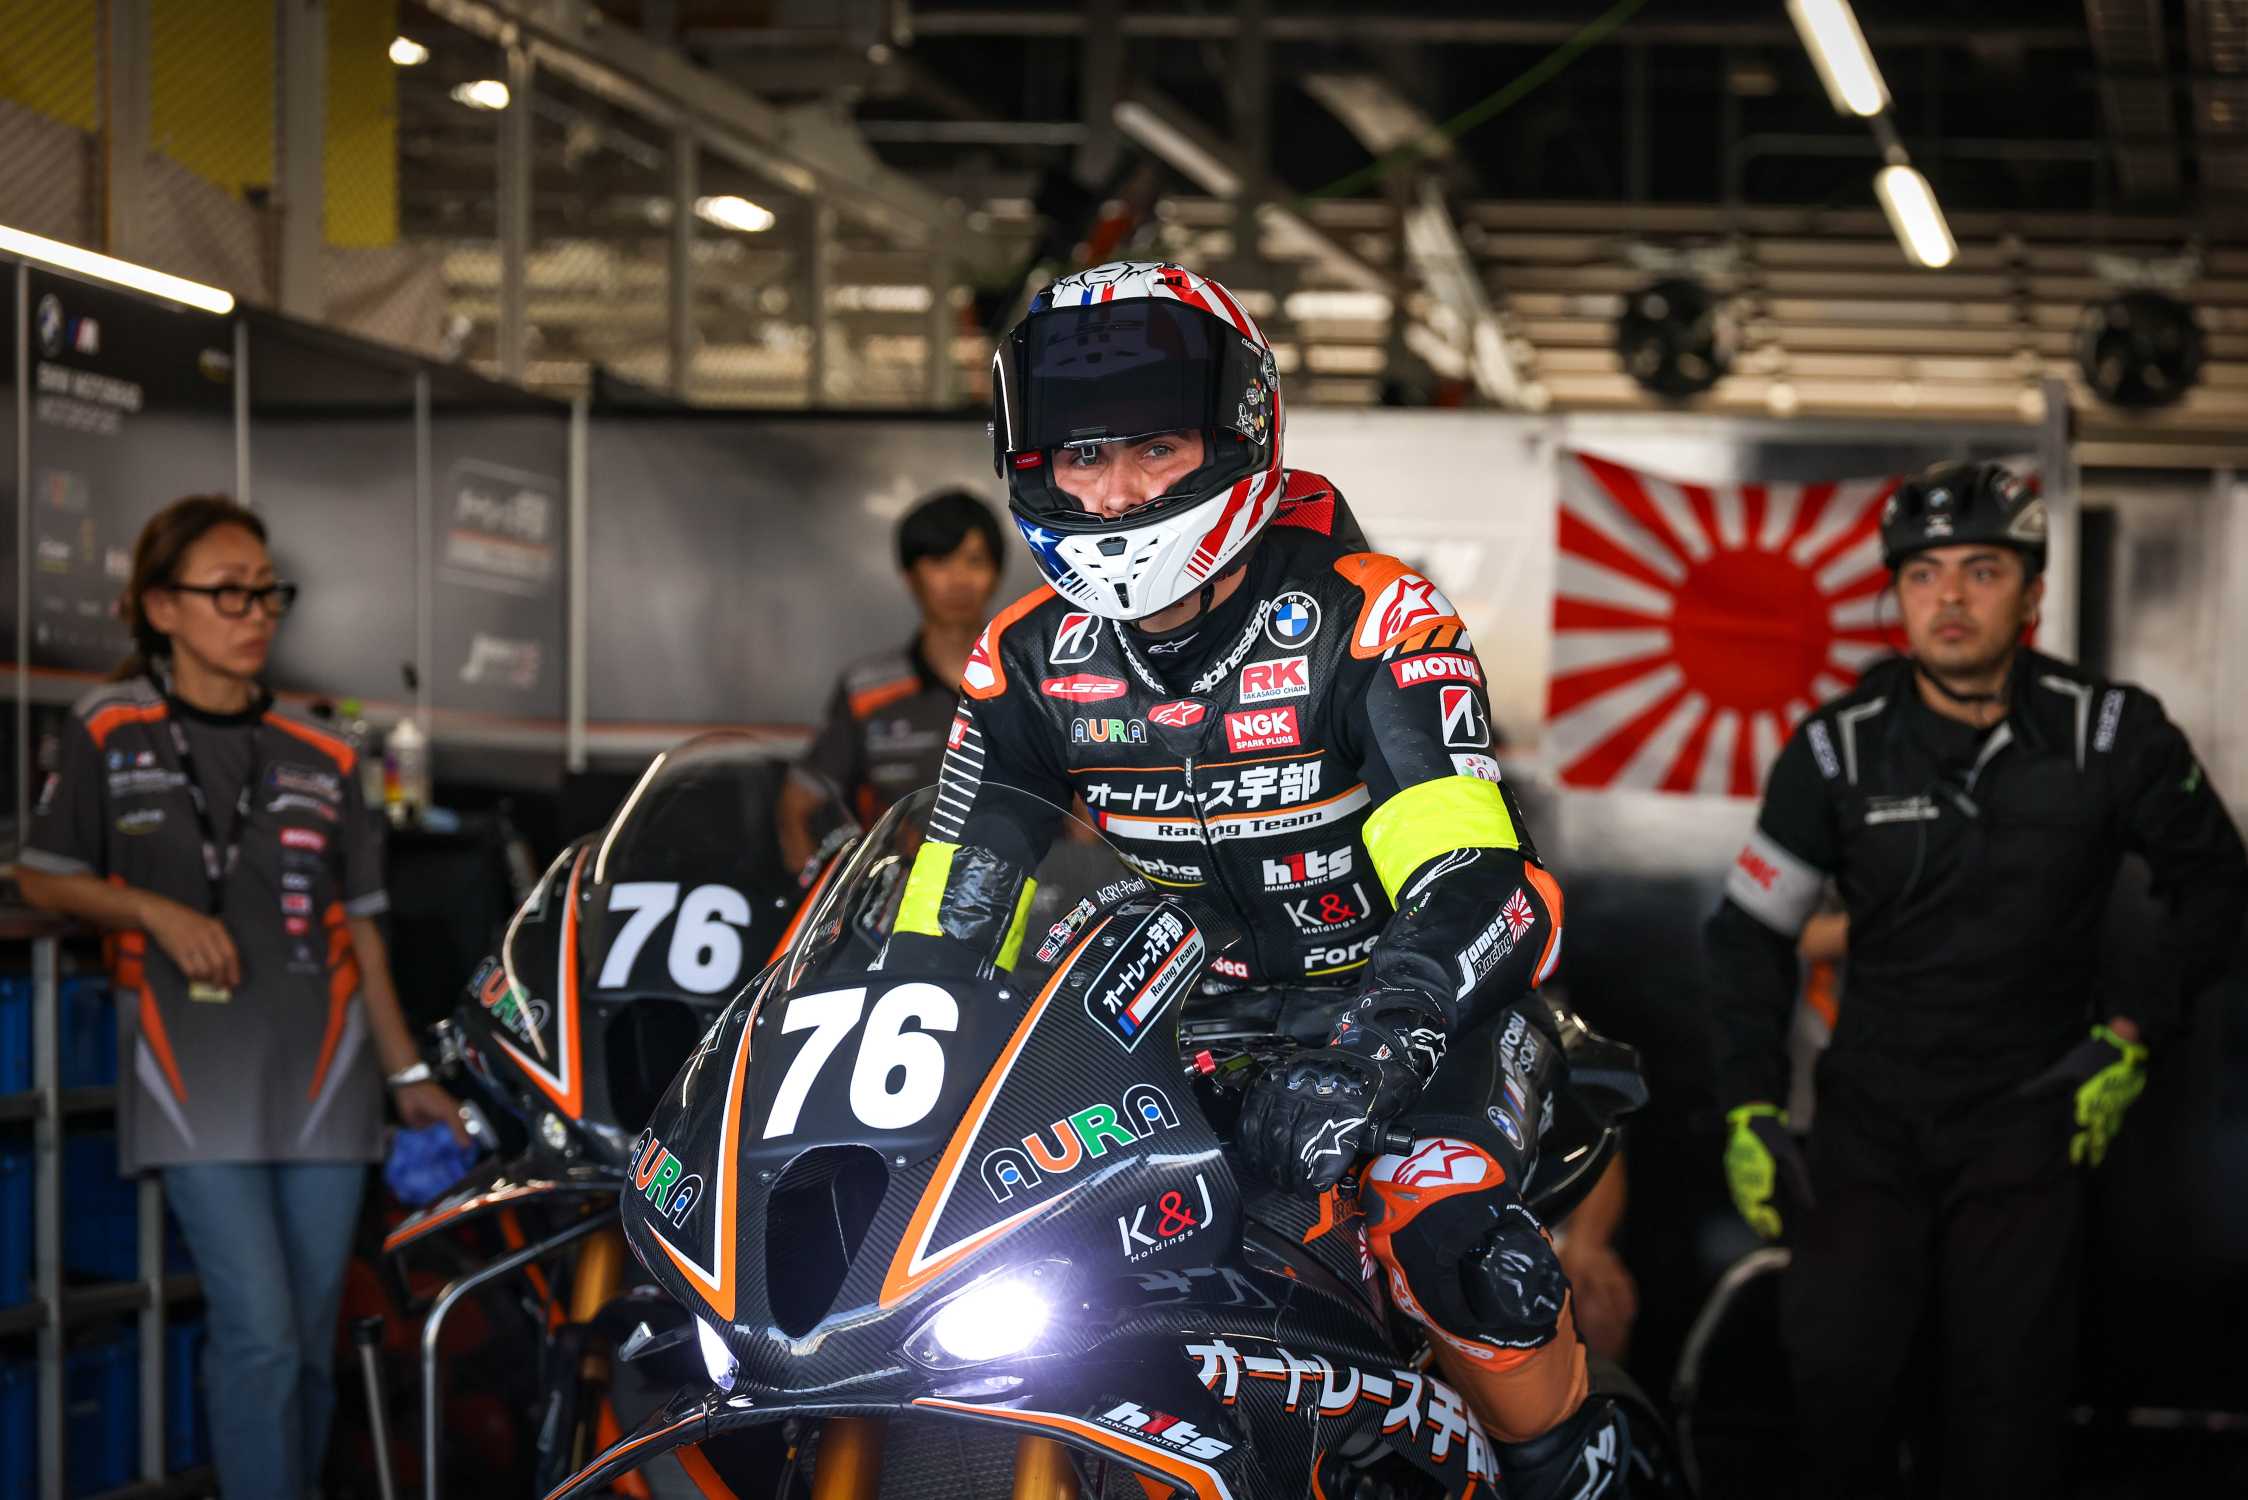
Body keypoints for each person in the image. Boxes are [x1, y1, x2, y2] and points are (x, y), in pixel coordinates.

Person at [895, 261, 1626, 1495]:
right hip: (1180, 1036)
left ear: (1237, 435)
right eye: (1082, 458)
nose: (1117, 493)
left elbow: (1478, 877)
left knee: (1445, 1241)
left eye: (1154, 449)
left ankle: (1569, 1468)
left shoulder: (1372, 616)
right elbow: (951, 903)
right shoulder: (1021, 657)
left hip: (1421, 1020)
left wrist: (1377, 1048)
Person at [1701, 461, 2248, 1498]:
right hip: (1870, 1122)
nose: (1949, 597)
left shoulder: (2108, 732)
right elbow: (1748, 934)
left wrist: (2133, 1031)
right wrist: (1749, 1106)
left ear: (2032, 593)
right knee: (1839, 1389)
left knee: (2007, 1418)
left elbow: (2217, 883)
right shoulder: (1835, 750)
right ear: (1897, 596)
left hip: (2030, 1120)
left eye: (1981, 570)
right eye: (1924, 574)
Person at [15, 495, 470, 1499]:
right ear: (160, 608)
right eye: (229, 592)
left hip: (325, 1078)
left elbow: (363, 931)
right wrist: (153, 911)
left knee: (304, 1344)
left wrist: (407, 1077)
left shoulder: (326, 749)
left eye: (268, 592)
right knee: (258, 1332)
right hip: (191, 1075)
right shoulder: (109, 729)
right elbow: (42, 876)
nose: (256, 613)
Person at [775, 489, 1004, 873]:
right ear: (910, 577)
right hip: (899, 899)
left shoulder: (1034, 677)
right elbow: (796, 807)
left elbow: (1082, 818)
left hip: (1020, 896)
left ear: (996, 574)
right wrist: (821, 897)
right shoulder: (866, 690)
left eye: (975, 561)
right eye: (940, 562)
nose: (959, 579)